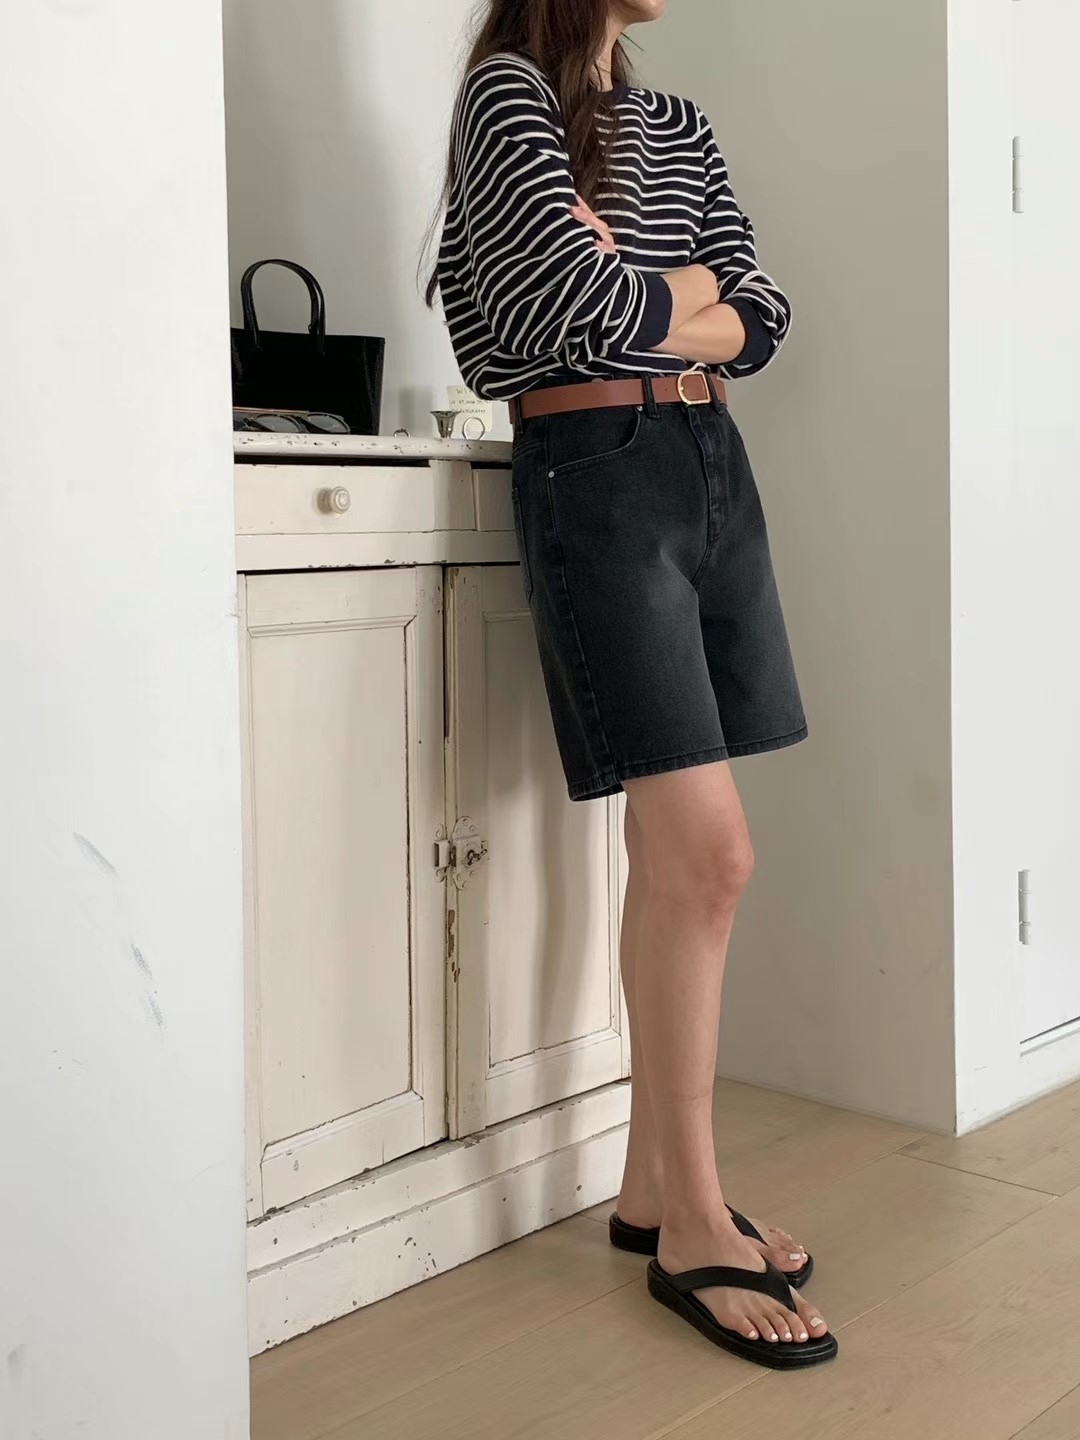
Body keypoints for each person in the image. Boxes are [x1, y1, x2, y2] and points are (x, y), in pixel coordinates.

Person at [428, 0, 836, 1370]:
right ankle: (694, 1225)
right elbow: (564, 312)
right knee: (712, 858)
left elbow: (766, 316)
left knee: (672, 860)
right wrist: (690, 301)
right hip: (595, 477)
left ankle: (657, 1188)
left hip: (709, 474)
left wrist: (666, 301)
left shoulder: (678, 125)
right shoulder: (510, 97)